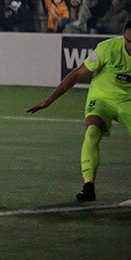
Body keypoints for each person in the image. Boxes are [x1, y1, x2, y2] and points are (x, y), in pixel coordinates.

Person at [27, 18, 131, 202]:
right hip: (102, 97)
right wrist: (50, 100)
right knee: (92, 133)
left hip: (127, 101)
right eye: (128, 41)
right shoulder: (107, 48)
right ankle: (88, 186)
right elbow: (76, 74)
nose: (130, 46)